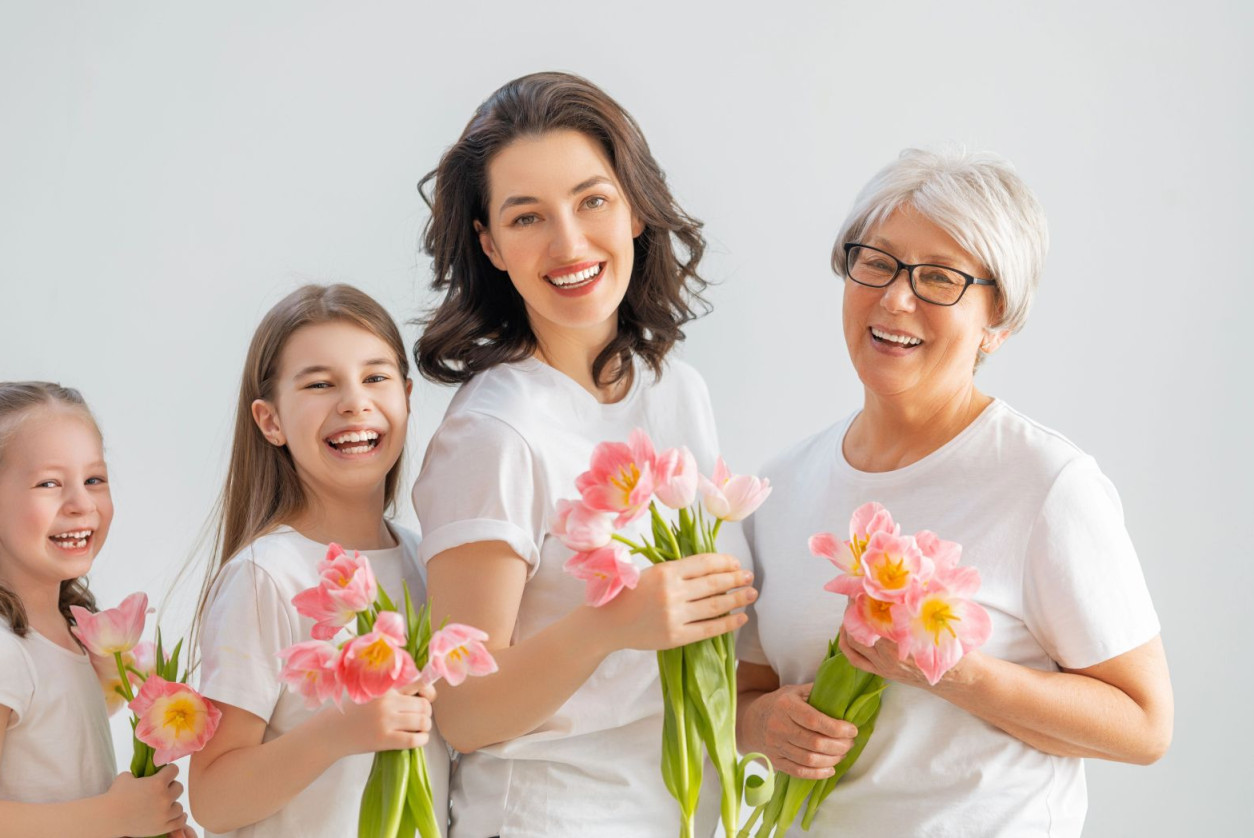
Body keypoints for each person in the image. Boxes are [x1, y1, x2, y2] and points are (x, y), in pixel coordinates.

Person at [737, 148, 1174, 836]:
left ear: (996, 319)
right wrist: (762, 722)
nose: (894, 298)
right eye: (875, 262)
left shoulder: (1047, 484)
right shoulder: (780, 487)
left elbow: (1144, 726)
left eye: (938, 278)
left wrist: (957, 672)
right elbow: (745, 693)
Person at [413, 71, 756, 836]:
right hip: (547, 815)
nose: (569, 243)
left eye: (591, 200)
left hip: (680, 811)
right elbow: (463, 711)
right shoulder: (493, 433)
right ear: (490, 245)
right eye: (527, 216)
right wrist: (609, 624)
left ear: (634, 206)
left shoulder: (676, 391)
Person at [189, 283, 449, 836]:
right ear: (270, 421)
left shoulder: (429, 562)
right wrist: (340, 731)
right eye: (320, 384)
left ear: (406, 396)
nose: (354, 401)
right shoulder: (266, 577)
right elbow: (213, 798)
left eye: (376, 377)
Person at [0, 381, 190, 838]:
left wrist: (136, 826)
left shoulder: (69, 634)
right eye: (49, 483)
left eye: (94, 479)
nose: (81, 504)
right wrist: (116, 816)